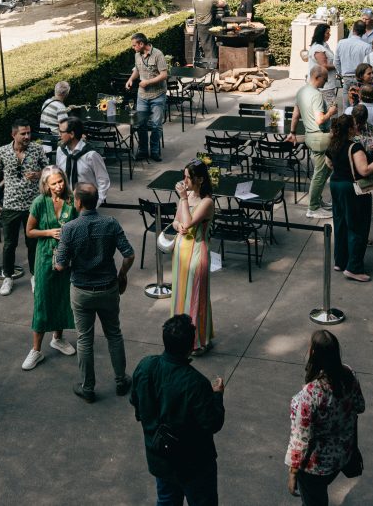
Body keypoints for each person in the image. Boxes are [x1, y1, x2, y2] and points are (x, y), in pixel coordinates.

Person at [131, 314, 226, 506]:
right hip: (194, 464)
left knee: (166, 500)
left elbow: (136, 402)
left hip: (160, 457)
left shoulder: (146, 367)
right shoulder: (196, 383)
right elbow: (212, 422)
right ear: (191, 346)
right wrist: (216, 395)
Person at [54, 183, 136, 402]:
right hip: (108, 288)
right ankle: (121, 381)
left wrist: (59, 256)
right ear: (97, 200)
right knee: (114, 335)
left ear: (77, 202)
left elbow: (60, 265)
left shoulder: (69, 228)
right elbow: (129, 254)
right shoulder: (110, 223)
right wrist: (122, 275)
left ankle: (87, 387)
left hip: (81, 290)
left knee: (84, 340)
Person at [285, 330, 365, 505]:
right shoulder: (349, 375)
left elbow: (300, 440)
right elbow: (360, 406)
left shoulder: (310, 395)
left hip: (316, 467)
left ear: (313, 353)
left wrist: (292, 473)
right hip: (342, 455)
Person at [21, 166, 77, 370]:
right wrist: (48, 232)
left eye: (60, 181)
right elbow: (29, 231)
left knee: (62, 297)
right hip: (44, 257)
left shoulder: (71, 201)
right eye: (54, 183)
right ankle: (36, 350)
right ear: (46, 185)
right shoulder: (39, 202)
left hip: (66, 258)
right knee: (43, 300)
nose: (58, 186)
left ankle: (58, 338)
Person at [0, 119, 50, 295]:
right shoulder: (2, 151)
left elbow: (49, 171)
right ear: (13, 135)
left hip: (33, 205)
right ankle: (8, 277)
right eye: (23, 133)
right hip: (10, 205)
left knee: (33, 243)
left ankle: (35, 275)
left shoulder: (37, 149)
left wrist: (39, 174)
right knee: (9, 244)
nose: (27, 136)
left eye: (29, 133)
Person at [324, 116, 373, 282]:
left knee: (340, 223)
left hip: (336, 185)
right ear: (349, 129)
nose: (357, 126)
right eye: (355, 124)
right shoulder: (355, 147)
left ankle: (340, 261)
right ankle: (354, 267)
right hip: (352, 189)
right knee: (357, 226)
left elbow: (329, 163)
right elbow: (364, 170)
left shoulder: (333, 144)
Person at [171, 160, 214, 354]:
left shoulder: (207, 202)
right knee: (181, 296)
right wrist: (176, 225)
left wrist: (183, 199)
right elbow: (177, 221)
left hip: (197, 252)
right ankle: (179, 338)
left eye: (188, 176)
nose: (184, 180)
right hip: (181, 251)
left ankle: (198, 340)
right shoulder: (186, 196)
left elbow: (188, 223)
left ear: (199, 179)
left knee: (196, 297)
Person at [288, 64, 338, 219]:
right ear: (317, 77)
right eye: (325, 79)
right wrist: (331, 111)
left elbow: (295, 114)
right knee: (320, 174)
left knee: (322, 172)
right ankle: (313, 207)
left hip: (311, 137)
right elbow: (319, 119)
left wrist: (292, 132)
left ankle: (318, 201)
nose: (326, 82)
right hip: (320, 137)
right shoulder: (316, 95)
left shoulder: (301, 91)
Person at [127, 32, 168, 161]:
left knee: (156, 125)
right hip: (142, 96)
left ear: (141, 44)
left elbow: (164, 75)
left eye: (135, 45)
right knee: (140, 124)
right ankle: (143, 150)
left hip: (158, 95)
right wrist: (130, 80)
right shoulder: (137, 55)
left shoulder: (158, 54)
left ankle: (155, 151)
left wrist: (148, 82)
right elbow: (137, 70)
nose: (133, 48)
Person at [55, 116, 111, 204]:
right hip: (65, 203)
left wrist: (96, 203)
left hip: (85, 205)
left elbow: (103, 181)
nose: (59, 135)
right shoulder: (60, 151)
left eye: (61, 132)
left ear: (72, 134)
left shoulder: (91, 155)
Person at [350, 103, 373, 226]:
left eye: (361, 122)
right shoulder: (348, 129)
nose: (359, 126)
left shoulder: (371, 128)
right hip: (354, 162)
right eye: (357, 122)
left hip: (371, 160)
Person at [334, 22, 370, 111]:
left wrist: (341, 73)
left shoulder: (341, 43)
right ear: (365, 31)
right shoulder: (366, 46)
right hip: (361, 79)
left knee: (346, 108)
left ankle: (347, 124)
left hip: (347, 78)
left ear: (353, 29)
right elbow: (369, 65)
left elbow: (336, 62)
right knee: (361, 108)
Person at [307, 23, 339, 106]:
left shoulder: (324, 45)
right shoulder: (318, 48)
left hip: (326, 84)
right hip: (324, 86)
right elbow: (324, 66)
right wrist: (338, 66)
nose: (329, 35)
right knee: (332, 109)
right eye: (327, 33)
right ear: (321, 34)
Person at [192, 0, 220, 66]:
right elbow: (222, 3)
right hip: (207, 25)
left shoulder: (194, 0)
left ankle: (199, 63)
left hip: (198, 26)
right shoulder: (210, 0)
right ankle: (212, 64)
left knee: (202, 45)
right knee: (210, 45)